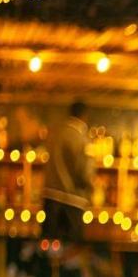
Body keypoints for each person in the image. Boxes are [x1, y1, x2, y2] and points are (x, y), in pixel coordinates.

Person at [42, 100, 92, 242]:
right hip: (73, 201)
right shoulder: (82, 138)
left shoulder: (54, 134)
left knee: (48, 246)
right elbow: (84, 172)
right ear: (85, 116)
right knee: (71, 249)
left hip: (51, 197)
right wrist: (90, 188)